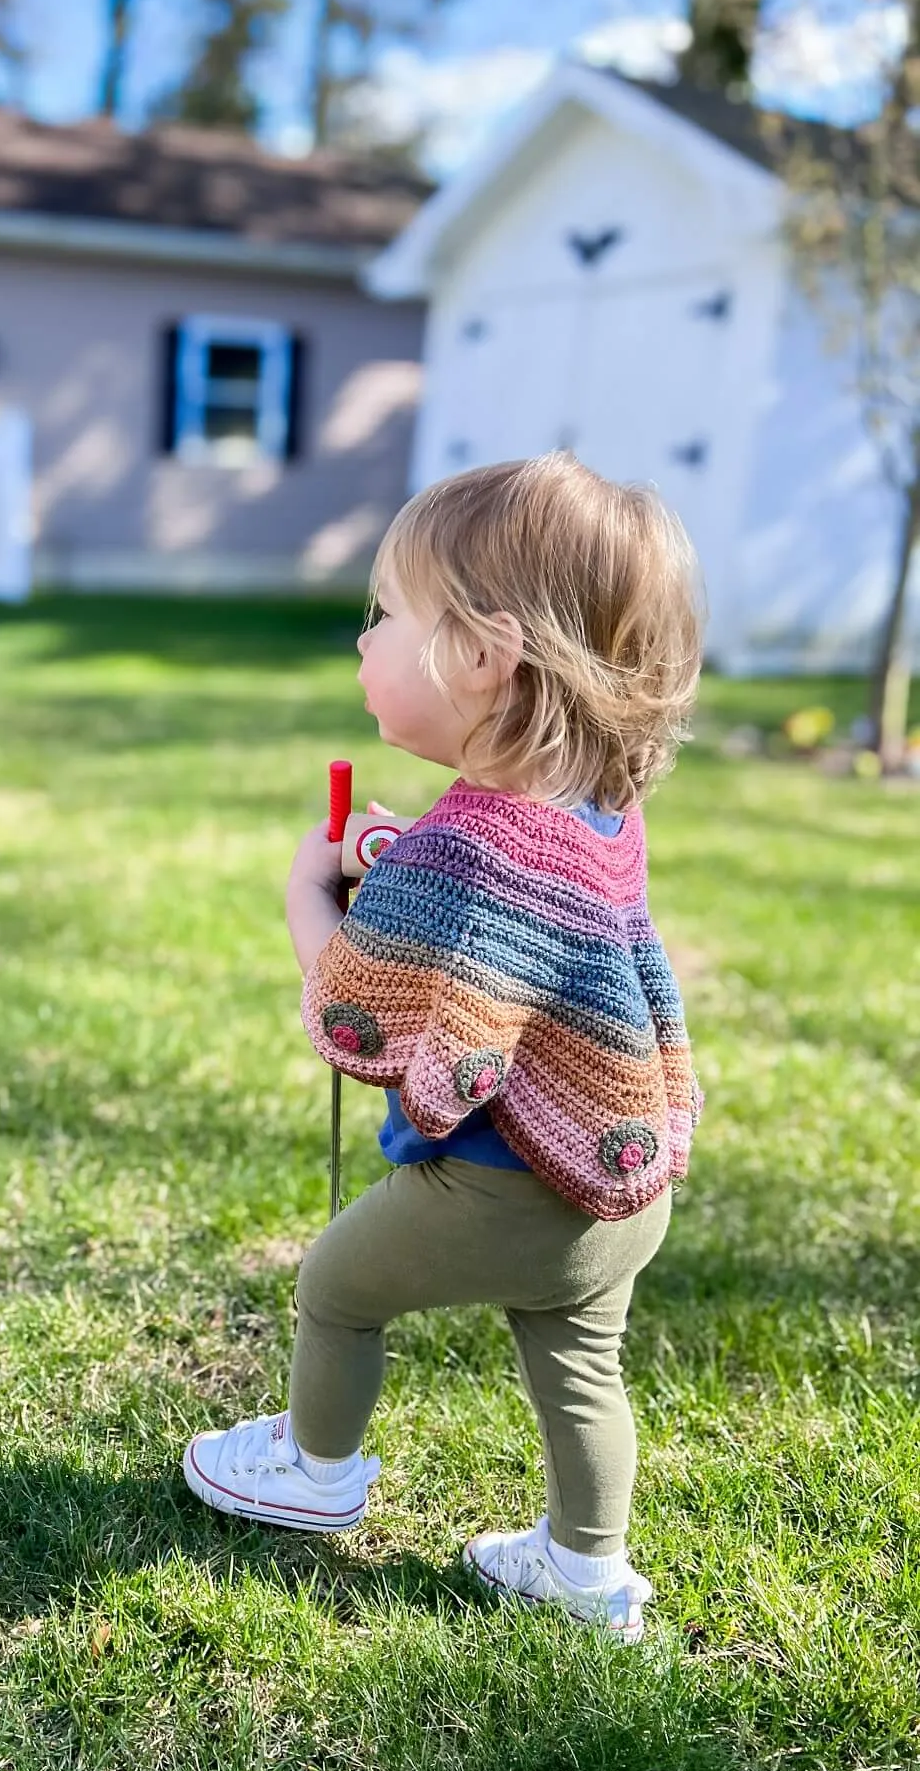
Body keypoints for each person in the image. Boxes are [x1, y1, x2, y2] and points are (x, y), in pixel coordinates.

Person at [183, 453, 704, 1644]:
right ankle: (586, 1570)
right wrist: (403, 861)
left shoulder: (472, 848)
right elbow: (496, 914)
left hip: (501, 1185)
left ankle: (314, 1468)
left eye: (384, 616)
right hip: (615, 1179)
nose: (363, 642)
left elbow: (360, 1011)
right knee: (578, 1364)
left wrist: (313, 894)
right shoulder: (591, 809)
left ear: (478, 654)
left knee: (337, 1287)